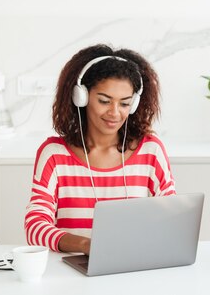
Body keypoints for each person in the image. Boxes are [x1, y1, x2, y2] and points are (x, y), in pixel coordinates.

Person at [24, 44, 175, 255]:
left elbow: (172, 219)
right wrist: (86, 245)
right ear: (81, 97)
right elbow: (35, 225)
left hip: (132, 267)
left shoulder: (151, 151)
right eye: (104, 101)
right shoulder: (54, 154)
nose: (114, 113)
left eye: (124, 104)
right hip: (72, 273)